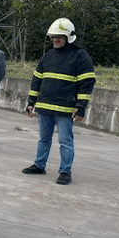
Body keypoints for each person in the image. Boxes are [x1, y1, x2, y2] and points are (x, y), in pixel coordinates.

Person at [22, 18, 96, 185]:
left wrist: (81, 107)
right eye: (53, 37)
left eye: (59, 37)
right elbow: (36, 80)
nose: (55, 40)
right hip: (45, 107)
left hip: (65, 109)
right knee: (43, 139)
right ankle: (39, 165)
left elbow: (87, 83)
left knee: (65, 141)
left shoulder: (80, 56)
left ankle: (65, 171)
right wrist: (31, 102)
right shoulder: (48, 56)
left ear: (69, 37)